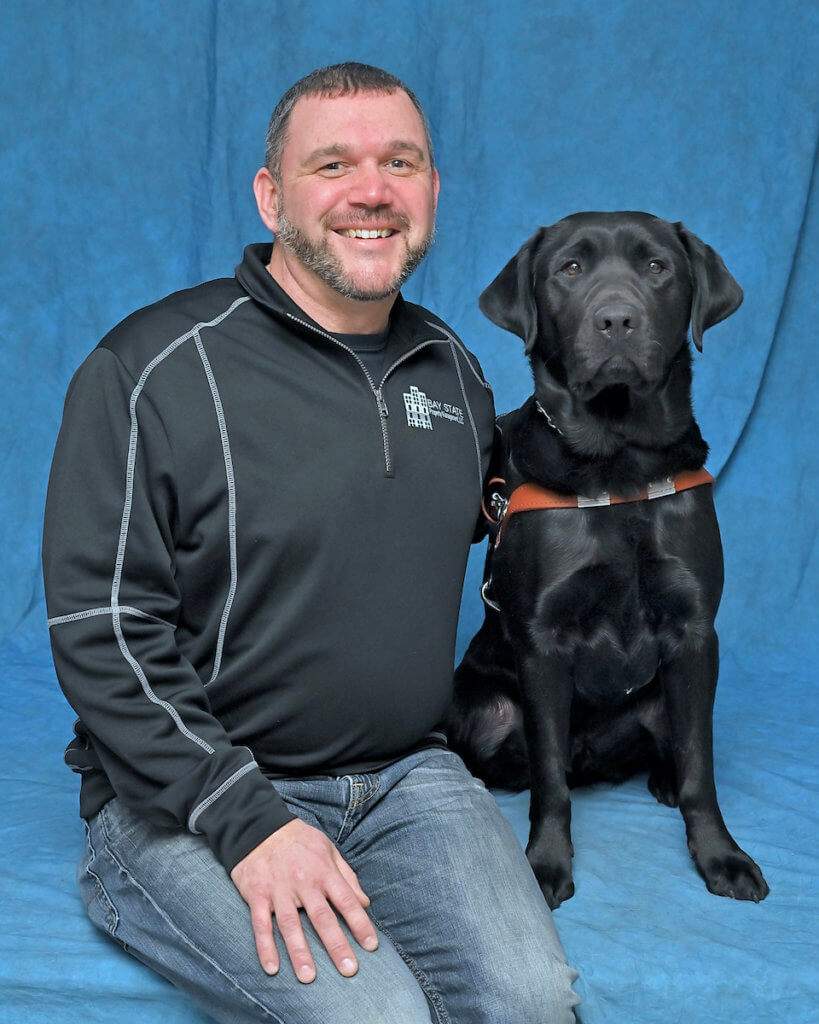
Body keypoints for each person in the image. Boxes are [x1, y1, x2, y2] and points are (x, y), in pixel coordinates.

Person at [43, 63, 580, 1024]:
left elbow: (490, 508)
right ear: (271, 195)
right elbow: (101, 626)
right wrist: (248, 821)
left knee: (534, 1003)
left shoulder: (448, 368)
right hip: (190, 800)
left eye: (399, 162)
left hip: (406, 775)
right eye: (332, 164)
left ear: (429, 191)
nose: (371, 191)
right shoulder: (152, 369)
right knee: (373, 1017)